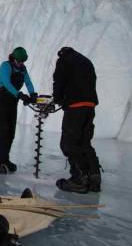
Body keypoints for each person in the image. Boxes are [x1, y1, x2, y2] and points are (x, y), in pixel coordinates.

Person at [52, 47, 101, 193]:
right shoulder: (86, 61)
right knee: (85, 142)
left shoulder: (64, 61)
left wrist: (58, 98)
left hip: (75, 106)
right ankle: (94, 177)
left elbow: (59, 81)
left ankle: (79, 178)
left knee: (69, 143)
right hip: (89, 106)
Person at [0, 47, 37, 174]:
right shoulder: (6, 66)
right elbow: (6, 82)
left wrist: (32, 94)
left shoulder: (22, 69)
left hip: (12, 102)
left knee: (11, 132)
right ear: (14, 58)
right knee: (2, 131)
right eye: (19, 61)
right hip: (0, 100)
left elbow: (28, 82)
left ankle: (5, 159)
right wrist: (19, 95)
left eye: (23, 62)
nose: (21, 64)